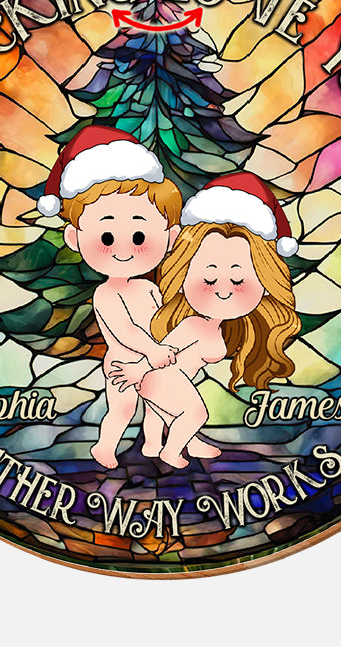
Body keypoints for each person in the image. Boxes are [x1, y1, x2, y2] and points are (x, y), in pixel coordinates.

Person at [37, 124, 211, 468]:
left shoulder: (149, 288)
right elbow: (125, 330)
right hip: (121, 364)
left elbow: (161, 320)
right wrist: (152, 350)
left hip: (153, 360)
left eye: (139, 235)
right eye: (106, 237)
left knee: (166, 403)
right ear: (74, 238)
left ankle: (169, 443)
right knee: (123, 408)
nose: (122, 249)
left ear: (170, 236)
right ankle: (104, 446)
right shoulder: (105, 293)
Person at [109, 173, 301, 468]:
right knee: (196, 413)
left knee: (170, 411)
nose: (223, 290)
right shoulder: (194, 325)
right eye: (209, 279)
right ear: (182, 277)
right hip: (157, 378)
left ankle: (155, 444)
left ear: (265, 285)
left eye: (238, 280)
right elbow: (164, 351)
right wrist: (138, 370)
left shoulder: (216, 326)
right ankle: (171, 452)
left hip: (165, 383)